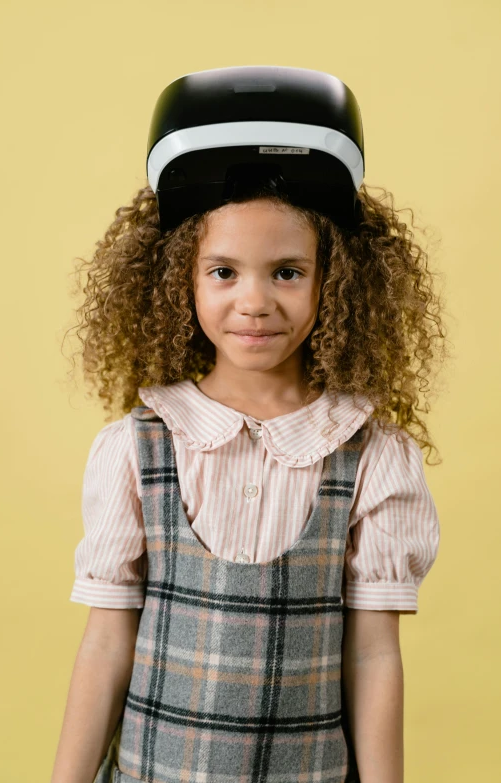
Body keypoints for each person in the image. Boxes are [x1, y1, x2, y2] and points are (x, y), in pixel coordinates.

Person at [51, 173, 449, 783]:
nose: (255, 301)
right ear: (177, 282)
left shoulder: (371, 452)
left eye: (287, 271)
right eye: (223, 272)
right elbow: (106, 644)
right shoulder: (138, 446)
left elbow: (372, 655)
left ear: (336, 284)